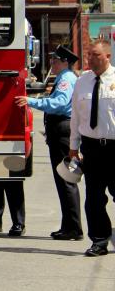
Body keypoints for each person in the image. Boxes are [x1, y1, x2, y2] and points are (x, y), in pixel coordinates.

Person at [14, 45, 82, 240]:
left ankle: (73, 228)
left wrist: (31, 101)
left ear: (66, 63)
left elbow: (59, 103)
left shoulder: (67, 79)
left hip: (63, 131)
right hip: (59, 131)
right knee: (64, 181)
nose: (52, 62)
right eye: (52, 59)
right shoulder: (64, 78)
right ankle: (68, 225)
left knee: (66, 180)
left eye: (56, 60)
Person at [69, 39, 115, 257]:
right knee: (94, 198)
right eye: (89, 54)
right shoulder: (82, 82)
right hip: (92, 148)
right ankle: (99, 240)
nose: (90, 59)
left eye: (95, 55)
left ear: (108, 56)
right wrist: (72, 147)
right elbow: (76, 116)